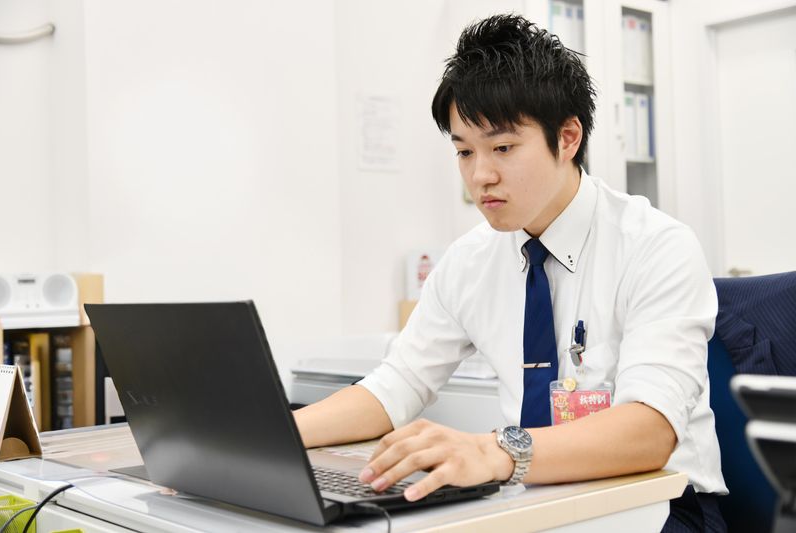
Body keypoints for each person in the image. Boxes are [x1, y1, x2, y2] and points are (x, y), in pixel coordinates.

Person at [295, 14, 727, 532]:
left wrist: (495, 450)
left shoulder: (656, 246)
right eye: (464, 151)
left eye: (502, 148)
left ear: (567, 137)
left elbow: (650, 432)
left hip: (662, 507)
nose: (480, 175)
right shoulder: (469, 261)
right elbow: (397, 385)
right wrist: (272, 433)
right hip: (538, 501)